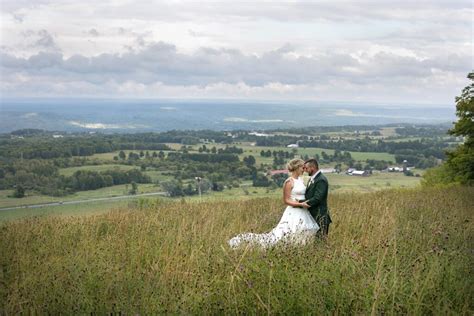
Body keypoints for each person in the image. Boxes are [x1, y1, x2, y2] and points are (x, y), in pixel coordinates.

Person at [228, 158, 319, 248]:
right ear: (296, 168)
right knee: (290, 231)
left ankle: (301, 248)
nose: (304, 170)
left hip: (303, 211)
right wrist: (300, 204)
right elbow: (286, 200)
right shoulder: (289, 182)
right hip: (294, 210)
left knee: (303, 230)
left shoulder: (301, 180)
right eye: (302, 168)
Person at [301, 159, 332, 238]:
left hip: (320, 216)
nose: (305, 171)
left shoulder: (321, 180)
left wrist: (302, 204)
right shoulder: (313, 179)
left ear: (312, 168)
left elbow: (318, 198)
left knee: (320, 241)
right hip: (313, 215)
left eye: (307, 168)